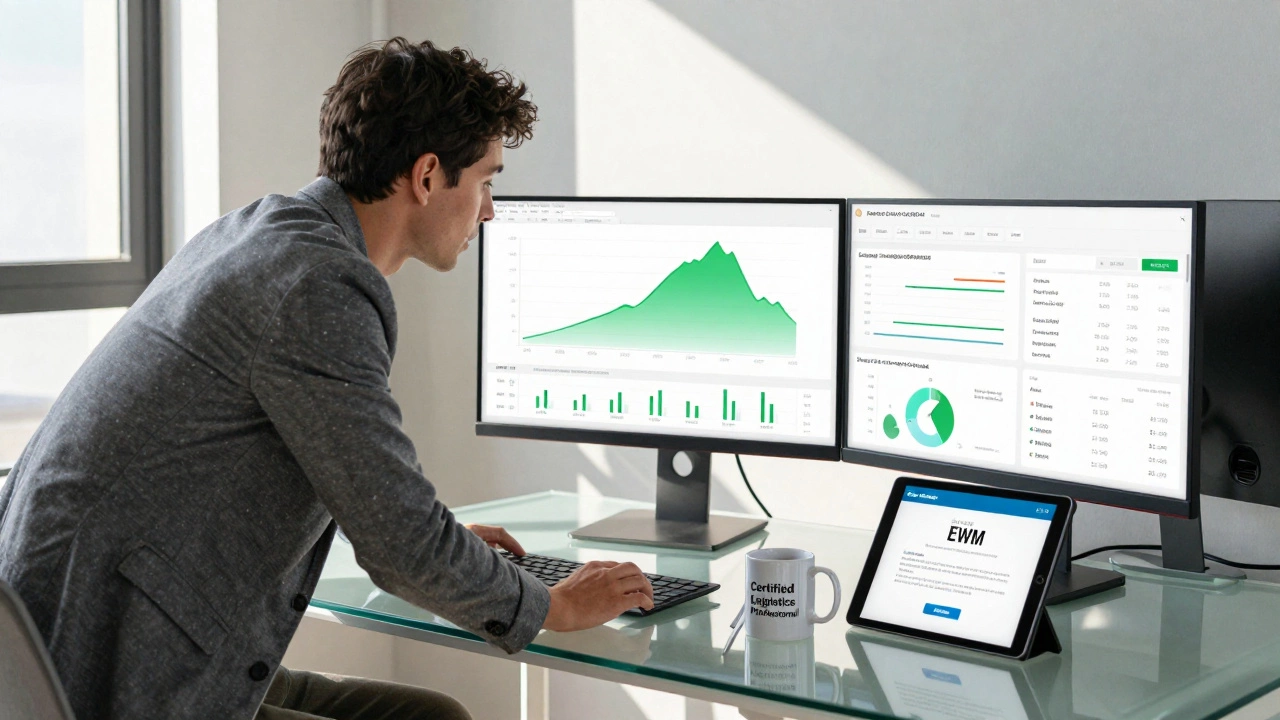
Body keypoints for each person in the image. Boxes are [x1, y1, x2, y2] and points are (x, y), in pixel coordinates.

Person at [0, 37, 653, 720]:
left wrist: (443, 544)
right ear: (428, 176)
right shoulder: (321, 289)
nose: (489, 211)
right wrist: (554, 604)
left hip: (67, 648)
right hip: (114, 677)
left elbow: (268, 480)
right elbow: (399, 546)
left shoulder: (257, 234)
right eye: (486, 180)